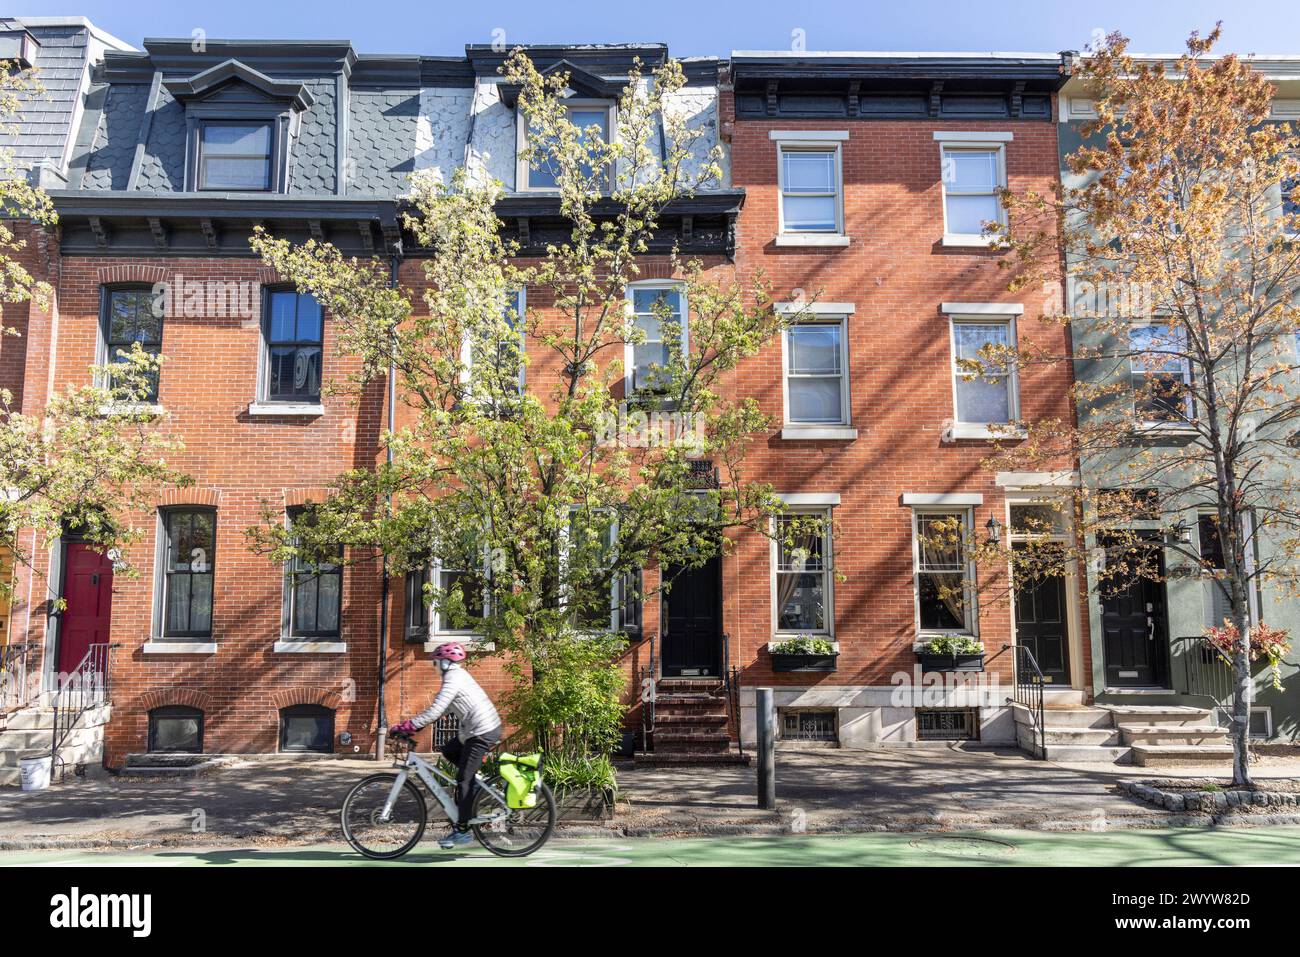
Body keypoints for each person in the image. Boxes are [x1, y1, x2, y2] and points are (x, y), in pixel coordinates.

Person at [389, 641, 502, 849]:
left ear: (446, 663)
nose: (435, 667)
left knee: (463, 781)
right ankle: (476, 785)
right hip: (472, 731)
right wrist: (415, 726)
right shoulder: (456, 677)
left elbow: (434, 710)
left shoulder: (453, 679)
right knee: (448, 750)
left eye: (437, 662)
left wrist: (407, 726)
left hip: (481, 731)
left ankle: (462, 831)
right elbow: (441, 711)